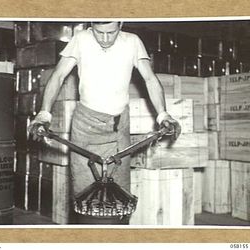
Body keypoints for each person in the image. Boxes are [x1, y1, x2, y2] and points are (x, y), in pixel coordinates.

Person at [28, 21, 181, 224]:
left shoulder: (132, 42)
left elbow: (150, 79)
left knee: (120, 199)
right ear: (91, 25)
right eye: (99, 32)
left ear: (121, 24)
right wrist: (44, 114)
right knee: (85, 198)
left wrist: (163, 114)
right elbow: (58, 76)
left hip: (119, 128)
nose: (105, 39)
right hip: (86, 127)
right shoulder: (81, 39)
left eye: (112, 32)